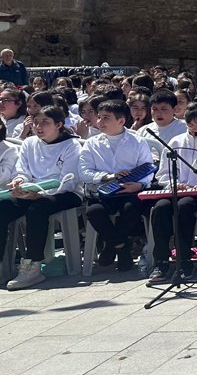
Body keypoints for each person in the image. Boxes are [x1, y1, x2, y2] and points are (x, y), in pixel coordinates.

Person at [0, 105, 82, 290]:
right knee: (3, 207)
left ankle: (33, 265)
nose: (38, 127)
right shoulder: (29, 143)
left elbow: (69, 181)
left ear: (58, 124)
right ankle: (2, 266)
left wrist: (41, 194)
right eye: (36, 122)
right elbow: (22, 170)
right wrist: (19, 181)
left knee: (38, 209)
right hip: (31, 190)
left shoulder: (71, 145)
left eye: (45, 122)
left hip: (64, 193)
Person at [147, 103, 197, 282]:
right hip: (177, 191)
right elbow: (163, 174)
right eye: (190, 124)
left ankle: (184, 260)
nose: (194, 128)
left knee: (184, 207)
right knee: (160, 208)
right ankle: (161, 261)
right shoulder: (176, 142)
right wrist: (175, 184)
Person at [81, 100, 154, 272]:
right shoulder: (91, 143)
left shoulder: (138, 141)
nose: (100, 122)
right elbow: (83, 171)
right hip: (103, 191)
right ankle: (121, 247)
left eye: (106, 118)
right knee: (94, 212)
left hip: (129, 190)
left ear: (121, 121)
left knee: (131, 209)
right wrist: (108, 176)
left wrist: (139, 184)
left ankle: (111, 246)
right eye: (99, 117)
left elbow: (148, 168)